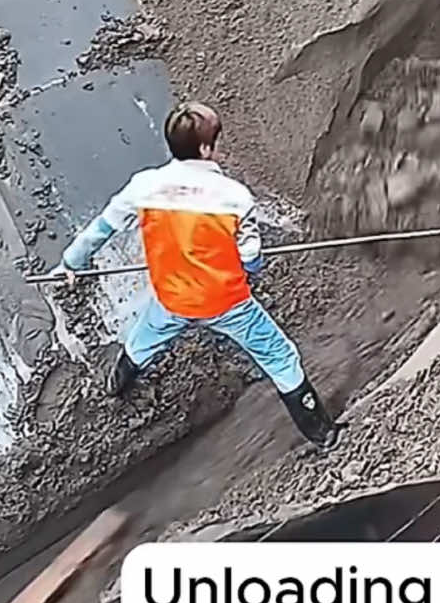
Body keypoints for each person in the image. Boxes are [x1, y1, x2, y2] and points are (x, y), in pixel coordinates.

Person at [48, 100, 339, 450]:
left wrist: (70, 264)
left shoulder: (144, 186)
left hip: (172, 299)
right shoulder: (234, 197)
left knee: (142, 341)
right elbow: (250, 258)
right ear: (205, 148)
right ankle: (322, 434)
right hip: (228, 303)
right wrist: (248, 267)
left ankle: (118, 383)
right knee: (281, 357)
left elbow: (101, 229)